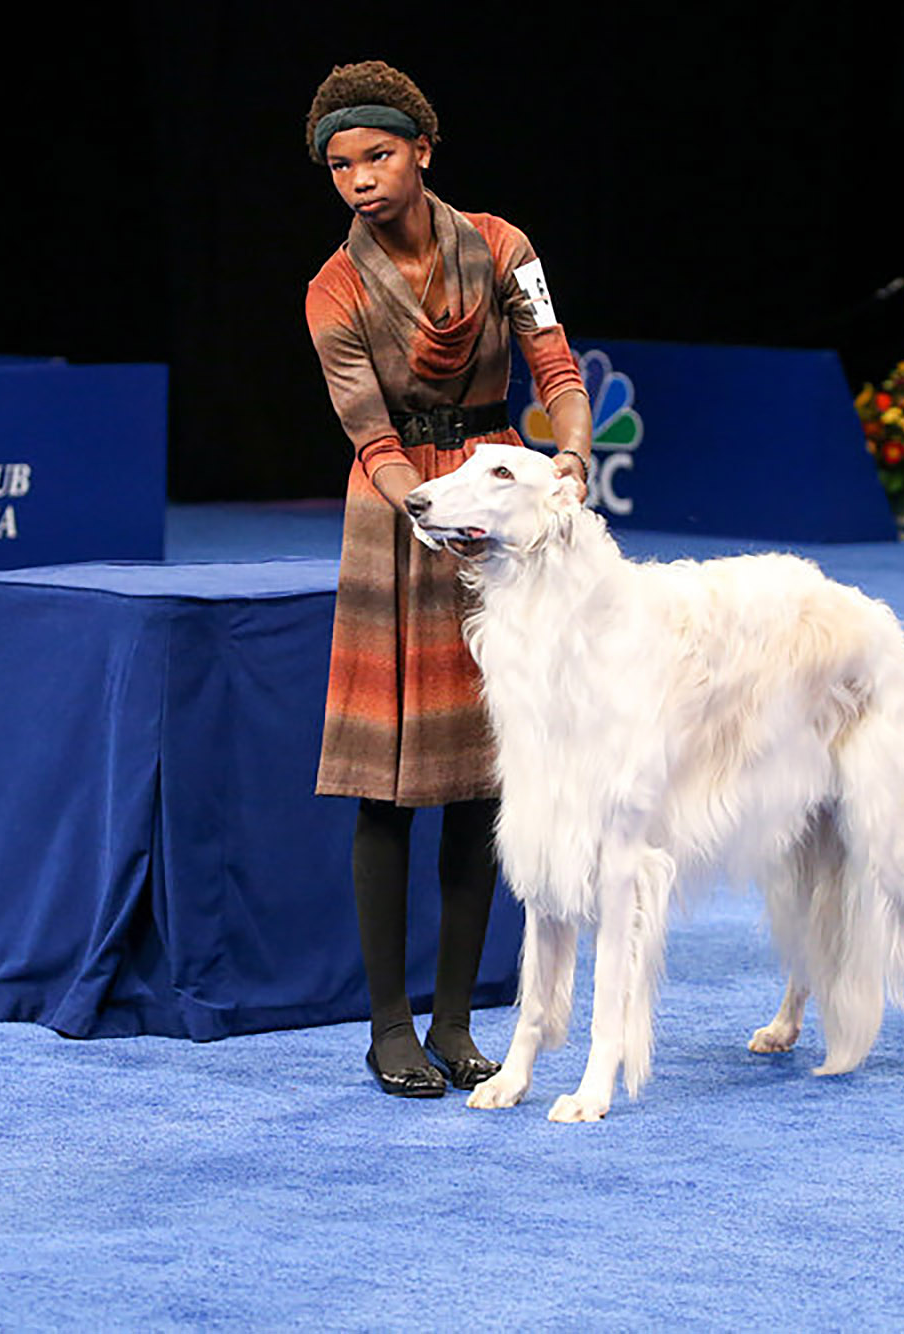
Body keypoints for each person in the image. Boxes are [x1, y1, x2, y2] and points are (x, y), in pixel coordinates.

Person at [303, 61, 593, 1097]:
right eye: (339, 165)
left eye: (376, 155)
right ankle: (389, 1027)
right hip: (397, 521)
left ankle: (461, 1022)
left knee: (483, 778)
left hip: (498, 490)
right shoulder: (332, 289)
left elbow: (553, 362)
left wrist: (568, 450)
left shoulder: (503, 247)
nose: (359, 179)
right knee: (387, 787)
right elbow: (368, 432)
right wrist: (419, 509)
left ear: (420, 149)